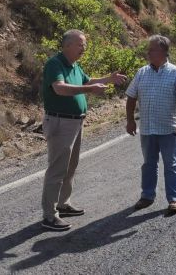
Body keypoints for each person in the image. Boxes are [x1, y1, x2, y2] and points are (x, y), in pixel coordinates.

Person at [41, 29, 127, 231]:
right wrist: (90, 90)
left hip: (75, 122)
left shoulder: (74, 65)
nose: (84, 48)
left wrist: (108, 78)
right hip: (60, 122)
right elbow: (59, 88)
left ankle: (63, 204)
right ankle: (49, 216)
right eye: (80, 44)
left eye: (84, 44)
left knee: (70, 167)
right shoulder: (55, 64)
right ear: (67, 45)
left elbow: (86, 81)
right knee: (57, 169)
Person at [125, 34, 176, 215]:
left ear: (162, 51)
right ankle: (147, 196)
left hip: (169, 129)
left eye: (151, 49)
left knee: (172, 165)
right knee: (148, 164)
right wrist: (130, 120)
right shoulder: (142, 72)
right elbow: (131, 96)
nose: (148, 52)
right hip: (147, 129)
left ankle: (175, 198)